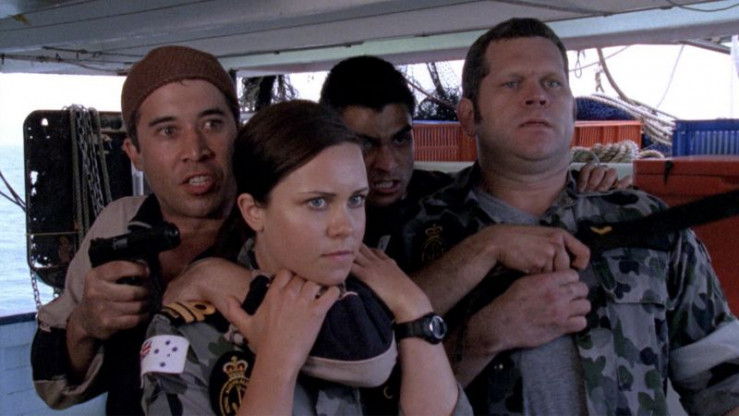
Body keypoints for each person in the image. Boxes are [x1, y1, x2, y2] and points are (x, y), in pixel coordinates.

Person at [401, 17, 739, 415]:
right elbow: (382, 395)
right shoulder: (422, 232)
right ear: (469, 115)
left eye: (552, 83)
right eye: (512, 83)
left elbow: (724, 381)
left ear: (573, 108)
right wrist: (485, 336)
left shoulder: (645, 222)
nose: (537, 97)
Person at [141, 100, 471, 415]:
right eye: (317, 203)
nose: (346, 227)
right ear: (253, 211)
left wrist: (415, 308)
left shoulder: (384, 302)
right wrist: (276, 365)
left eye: (356, 200)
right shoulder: (189, 330)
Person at [31, 45, 240, 415]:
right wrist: (85, 325)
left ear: (239, 132)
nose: (195, 150)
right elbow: (53, 387)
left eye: (212, 124)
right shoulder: (119, 224)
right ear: (135, 153)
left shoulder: (284, 224)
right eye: (168, 131)